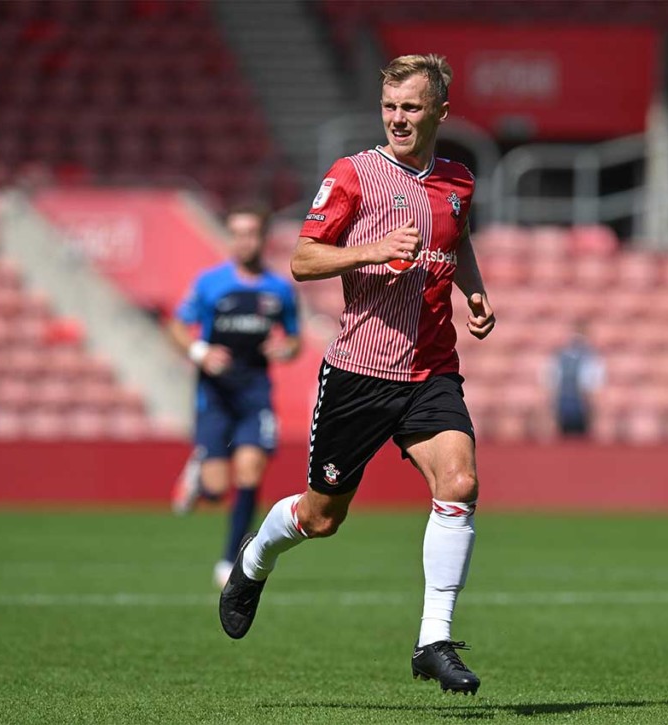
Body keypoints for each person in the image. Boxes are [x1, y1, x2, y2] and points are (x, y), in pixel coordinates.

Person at [218, 54, 495, 696]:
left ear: (439, 113)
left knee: (461, 480)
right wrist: (373, 248)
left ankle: (434, 640)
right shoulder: (354, 176)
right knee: (321, 518)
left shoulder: (457, 180)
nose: (399, 119)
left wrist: (473, 291)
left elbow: (459, 239)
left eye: (412, 107)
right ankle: (255, 558)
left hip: (432, 369)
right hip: (359, 374)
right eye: (391, 107)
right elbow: (303, 259)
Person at [168, 202, 301, 589]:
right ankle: (200, 477)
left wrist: (286, 349)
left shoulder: (278, 290)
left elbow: (292, 337)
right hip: (215, 393)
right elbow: (177, 326)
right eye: (237, 233)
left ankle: (230, 559)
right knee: (216, 488)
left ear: (262, 238)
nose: (243, 241)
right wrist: (200, 352)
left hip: (255, 392)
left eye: (251, 233)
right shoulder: (210, 283)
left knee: (251, 472)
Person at [544, 324, 605, 437]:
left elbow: (594, 384)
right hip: (563, 402)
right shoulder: (559, 356)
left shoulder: (591, 357)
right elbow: (551, 380)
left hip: (583, 404)